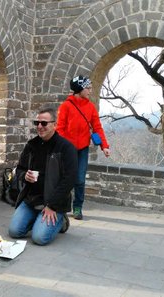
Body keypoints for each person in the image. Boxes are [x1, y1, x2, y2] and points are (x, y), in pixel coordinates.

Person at [8, 106, 78, 245]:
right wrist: (24, 176)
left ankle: (61, 220)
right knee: (14, 232)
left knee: (39, 238)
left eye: (44, 123)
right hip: (31, 199)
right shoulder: (31, 145)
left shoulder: (66, 148)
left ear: (54, 125)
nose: (40, 126)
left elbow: (69, 180)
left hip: (53, 202)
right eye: (37, 123)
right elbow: (20, 168)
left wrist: (52, 205)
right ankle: (37, 218)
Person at [57, 75, 110, 220]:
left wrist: (104, 146)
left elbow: (97, 127)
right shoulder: (66, 106)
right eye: (88, 88)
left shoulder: (90, 107)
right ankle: (62, 206)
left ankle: (78, 207)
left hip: (82, 149)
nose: (90, 91)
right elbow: (60, 129)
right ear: (79, 88)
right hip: (67, 149)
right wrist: (61, 147)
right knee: (65, 178)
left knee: (80, 179)